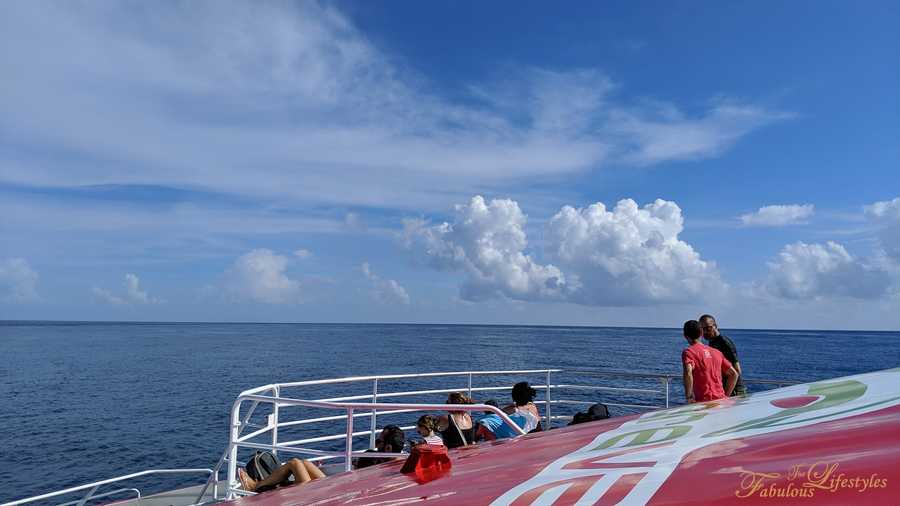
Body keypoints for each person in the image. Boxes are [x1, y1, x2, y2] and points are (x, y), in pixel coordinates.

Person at [682, 319, 738, 403]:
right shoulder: (717, 352)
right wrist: (726, 396)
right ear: (701, 333)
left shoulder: (689, 352)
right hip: (721, 400)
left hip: (703, 401)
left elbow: (688, 372)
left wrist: (689, 396)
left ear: (685, 336)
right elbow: (734, 374)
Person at [700, 314, 748, 396]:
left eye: (708, 328)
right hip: (725, 389)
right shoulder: (712, 343)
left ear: (715, 326)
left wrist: (726, 396)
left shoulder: (724, 343)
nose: (705, 332)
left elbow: (737, 370)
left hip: (735, 391)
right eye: (702, 329)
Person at [238, 457, 325, 492]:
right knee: (305, 463)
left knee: (294, 463)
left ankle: (256, 486)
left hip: (309, 496)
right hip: (327, 490)